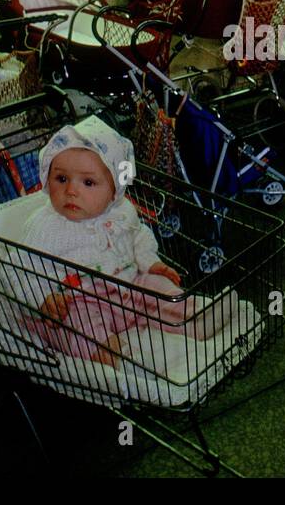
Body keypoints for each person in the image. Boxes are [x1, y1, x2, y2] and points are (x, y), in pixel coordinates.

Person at [26, 116, 233, 365]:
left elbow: (138, 236)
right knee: (77, 322)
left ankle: (195, 319)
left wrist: (150, 262)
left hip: (129, 286)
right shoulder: (47, 225)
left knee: (158, 288)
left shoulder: (122, 210)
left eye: (88, 182)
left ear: (115, 189)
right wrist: (42, 297)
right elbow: (23, 265)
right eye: (61, 179)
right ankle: (106, 352)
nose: (71, 190)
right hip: (82, 299)